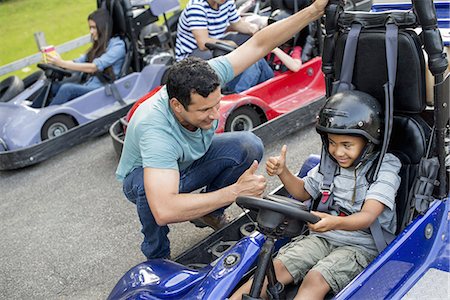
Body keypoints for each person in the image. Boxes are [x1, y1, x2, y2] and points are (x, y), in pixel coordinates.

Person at [115, 0, 329, 260]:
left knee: (248, 145)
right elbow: (165, 209)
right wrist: (235, 192)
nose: (215, 115)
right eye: (205, 110)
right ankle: (156, 255)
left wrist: (314, 11)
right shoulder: (155, 129)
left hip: (187, 161)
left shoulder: (207, 75)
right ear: (177, 105)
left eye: (216, 105)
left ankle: (210, 213)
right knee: (149, 194)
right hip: (147, 177)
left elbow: (260, 43)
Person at [230, 90, 402, 299]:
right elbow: (303, 192)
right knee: (273, 269)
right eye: (332, 143)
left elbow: (368, 216)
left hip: (361, 245)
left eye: (347, 145)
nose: (338, 152)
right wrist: (283, 172)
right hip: (323, 236)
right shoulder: (331, 164)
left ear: (368, 142)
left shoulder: (384, 168)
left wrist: (334, 222)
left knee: (316, 279)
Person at [31, 9, 126, 107]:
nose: (91, 32)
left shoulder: (118, 46)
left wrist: (62, 63)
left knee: (67, 89)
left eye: (94, 28)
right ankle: (32, 112)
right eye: (90, 28)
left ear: (103, 27)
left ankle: (47, 119)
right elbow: (77, 61)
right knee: (50, 86)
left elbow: (94, 67)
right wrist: (56, 61)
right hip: (88, 85)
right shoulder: (98, 46)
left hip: (103, 90)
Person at [175, 0, 259, 61]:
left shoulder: (227, 2)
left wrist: (253, 28)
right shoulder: (196, 7)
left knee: (249, 38)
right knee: (224, 52)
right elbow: (203, 44)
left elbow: (237, 24)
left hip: (216, 41)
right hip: (192, 54)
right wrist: (229, 44)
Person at [223, 44, 302, 93]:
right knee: (247, 57)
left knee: (258, 60)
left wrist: (276, 50)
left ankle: (239, 92)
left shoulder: (295, 49)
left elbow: (296, 67)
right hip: (263, 78)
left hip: (276, 82)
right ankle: (226, 87)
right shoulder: (270, 43)